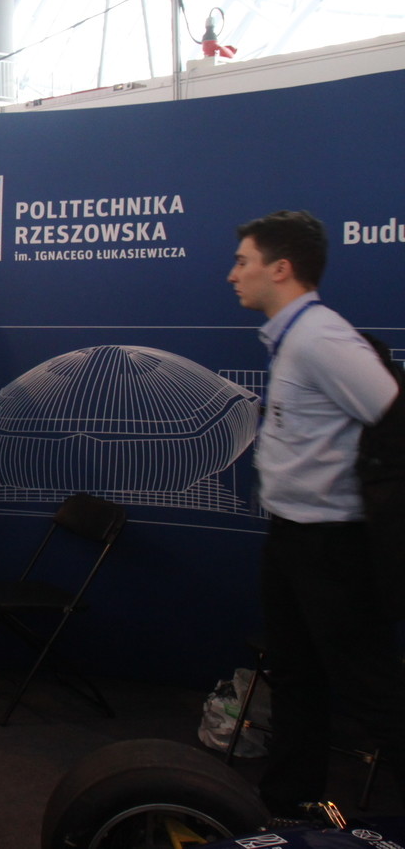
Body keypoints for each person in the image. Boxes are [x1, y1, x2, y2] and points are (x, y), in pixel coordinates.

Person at [227, 209, 405, 816]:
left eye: (244, 261)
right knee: (295, 676)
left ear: (281, 268)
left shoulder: (320, 337)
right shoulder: (291, 338)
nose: (233, 275)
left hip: (332, 546)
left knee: (371, 688)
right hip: (292, 539)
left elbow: (393, 412)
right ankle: (288, 805)